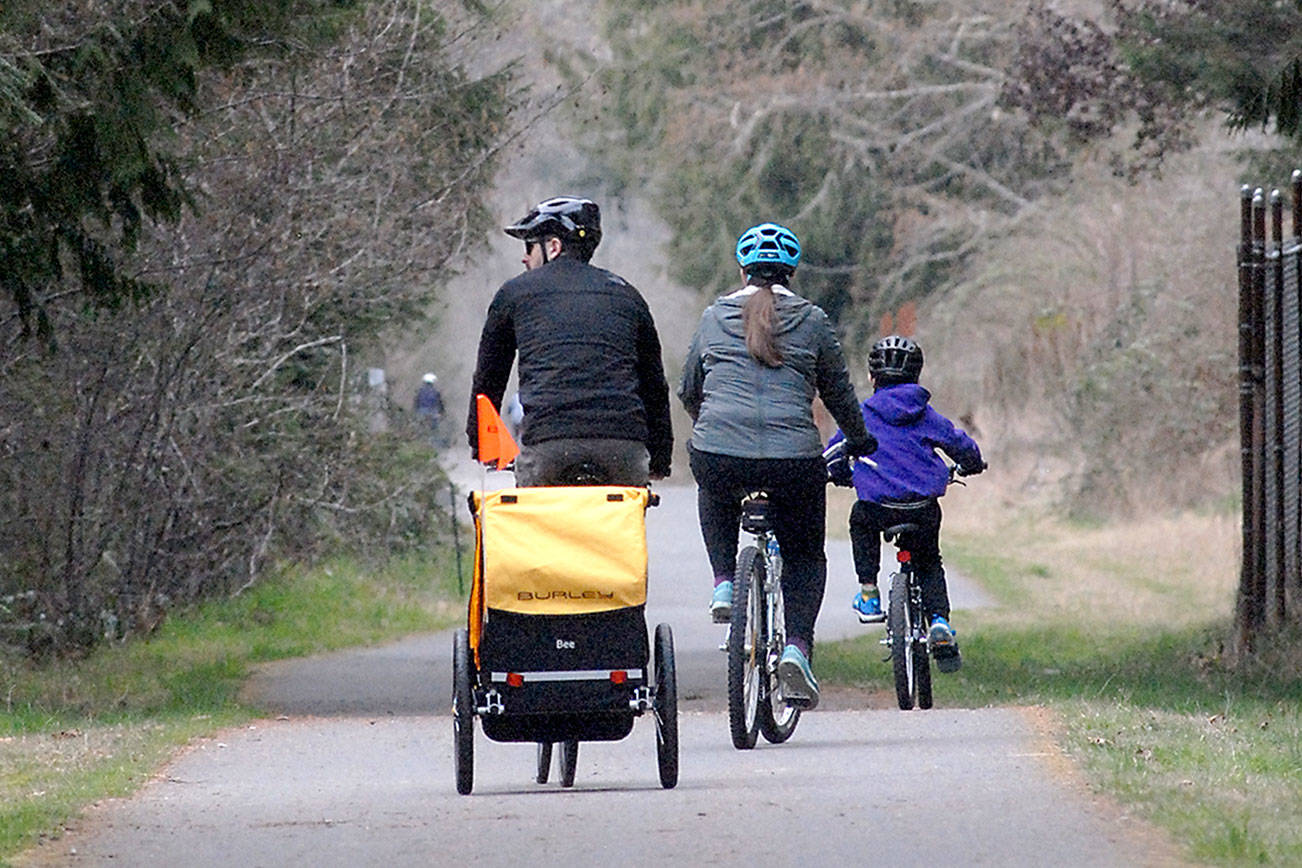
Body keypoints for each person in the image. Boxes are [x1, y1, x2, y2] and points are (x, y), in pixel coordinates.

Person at [678, 221, 876, 709]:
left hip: (719, 452)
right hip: (794, 462)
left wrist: (710, 424)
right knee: (806, 555)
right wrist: (860, 440)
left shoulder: (712, 316)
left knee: (715, 485)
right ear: (792, 271)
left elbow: (688, 388)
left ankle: (724, 582)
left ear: (741, 267)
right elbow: (839, 393)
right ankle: (797, 648)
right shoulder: (812, 319)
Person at [467, 196, 673, 486]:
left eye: (530, 246)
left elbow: (489, 380)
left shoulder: (513, 294)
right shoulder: (628, 295)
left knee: (541, 526)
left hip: (548, 445)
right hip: (623, 449)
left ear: (553, 246)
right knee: (619, 524)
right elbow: (653, 384)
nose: (525, 257)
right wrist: (661, 458)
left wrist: (480, 444)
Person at [825, 334, 984, 673]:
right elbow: (960, 445)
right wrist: (972, 462)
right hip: (921, 507)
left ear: (872, 378)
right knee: (928, 561)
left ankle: (869, 593)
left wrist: (839, 473)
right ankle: (939, 621)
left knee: (860, 521)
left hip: (876, 507)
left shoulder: (861, 414)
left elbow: (836, 451)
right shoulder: (925, 414)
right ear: (917, 376)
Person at [413, 372, 446, 445]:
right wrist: (442, 413)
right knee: (434, 429)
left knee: (420, 428)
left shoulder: (419, 391)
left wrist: (415, 412)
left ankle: (420, 442)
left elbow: (416, 403)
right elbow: (440, 404)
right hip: (433, 412)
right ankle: (434, 444)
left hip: (422, 411)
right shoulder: (436, 392)